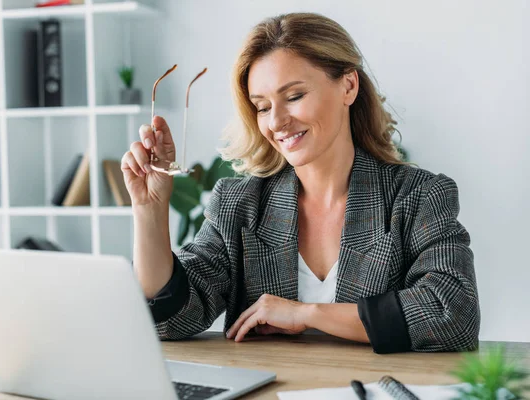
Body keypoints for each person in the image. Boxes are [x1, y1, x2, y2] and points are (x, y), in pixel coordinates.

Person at [120, 12, 480, 354]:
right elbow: (169, 320)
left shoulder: (417, 196)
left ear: (348, 86)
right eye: (262, 106)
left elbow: (454, 314)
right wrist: (149, 209)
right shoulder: (239, 204)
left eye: (294, 97)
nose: (276, 121)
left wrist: (305, 313)